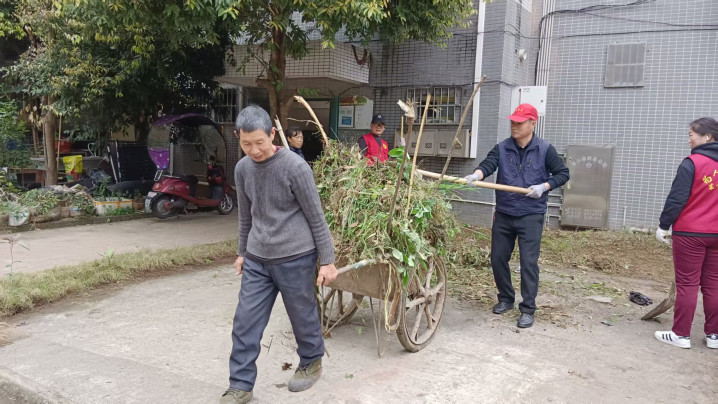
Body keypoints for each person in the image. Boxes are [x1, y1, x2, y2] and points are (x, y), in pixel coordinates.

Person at [222, 105, 338, 404]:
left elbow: (316, 217)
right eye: (246, 144)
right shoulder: (242, 169)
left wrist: (327, 261)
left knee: (302, 315)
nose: (254, 150)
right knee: (245, 322)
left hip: (296, 255)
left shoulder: (295, 168)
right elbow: (246, 216)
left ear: (272, 134)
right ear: (238, 137)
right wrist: (241, 252)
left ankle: (311, 361)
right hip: (258, 258)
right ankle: (240, 385)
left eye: (259, 142)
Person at [463, 103, 570, 328]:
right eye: (513, 122)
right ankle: (506, 298)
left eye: (520, 123)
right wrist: (476, 175)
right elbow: (488, 164)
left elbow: (563, 174)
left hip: (531, 215)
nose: (514, 126)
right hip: (504, 212)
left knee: (528, 263)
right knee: (497, 258)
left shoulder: (545, 149)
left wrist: (544, 186)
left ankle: (528, 308)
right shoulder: (502, 148)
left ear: (533, 124)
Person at [654, 117, 718, 350]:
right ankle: (714, 336)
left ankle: (680, 334)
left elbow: (677, 199)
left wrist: (664, 225)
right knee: (714, 283)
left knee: (688, 283)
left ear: (707, 136)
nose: (689, 139)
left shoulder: (692, 163)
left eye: (691, 134)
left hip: (691, 233)